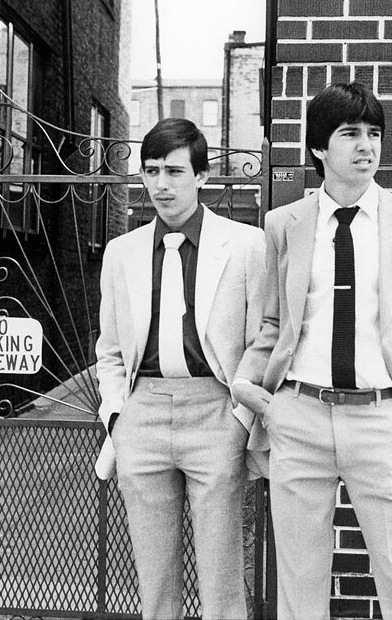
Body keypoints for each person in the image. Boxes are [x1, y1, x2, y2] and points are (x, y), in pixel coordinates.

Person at [232, 81, 392, 620]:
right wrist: (254, 394)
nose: (367, 146)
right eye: (350, 134)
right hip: (299, 417)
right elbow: (272, 322)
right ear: (319, 147)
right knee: (299, 580)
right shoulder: (282, 225)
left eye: (374, 134)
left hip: (382, 420)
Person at [94, 118, 268, 620]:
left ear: (201, 176)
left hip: (214, 410)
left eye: (174, 170)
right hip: (142, 413)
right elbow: (109, 348)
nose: (161, 184)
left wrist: (239, 418)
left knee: (221, 577)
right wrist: (116, 417)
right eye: (151, 171)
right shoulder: (121, 252)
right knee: (154, 580)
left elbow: (262, 339)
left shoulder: (246, 246)